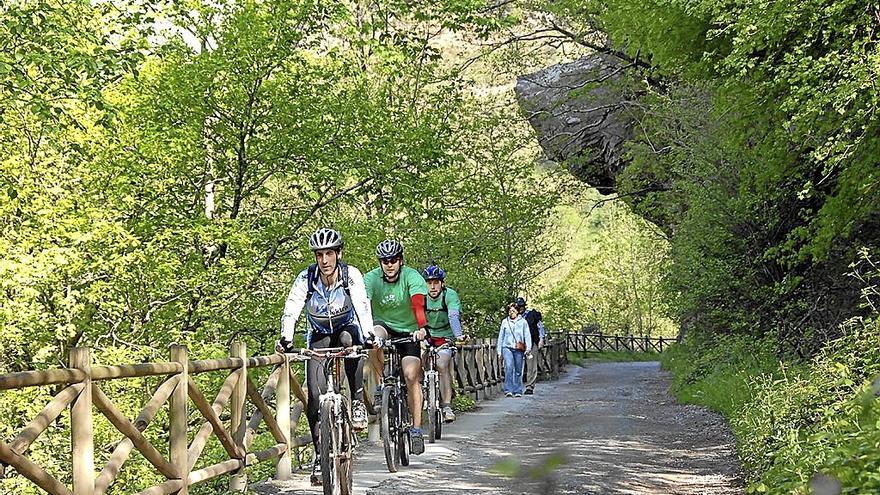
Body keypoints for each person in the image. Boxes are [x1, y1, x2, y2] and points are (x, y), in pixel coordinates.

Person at [276, 228, 374, 485]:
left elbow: (362, 305)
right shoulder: (306, 278)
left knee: (351, 343)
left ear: (338, 254)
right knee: (314, 399)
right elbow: (292, 307)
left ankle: (356, 400)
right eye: (320, 255)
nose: (324, 260)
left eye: (329, 253)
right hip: (318, 334)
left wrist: (369, 335)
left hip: (346, 329)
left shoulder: (350, 275)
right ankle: (320, 457)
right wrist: (286, 337)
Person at [364, 239, 430, 455]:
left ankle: (417, 429)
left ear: (400, 261)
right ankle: (381, 383)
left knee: (411, 375)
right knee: (373, 338)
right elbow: (363, 303)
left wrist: (421, 328)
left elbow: (418, 303)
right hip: (383, 325)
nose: (389, 264)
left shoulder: (412, 277)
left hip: (409, 329)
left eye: (393, 260)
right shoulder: (372, 278)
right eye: (385, 261)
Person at [422, 264, 465, 423]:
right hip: (426, 337)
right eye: (429, 283)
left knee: (442, 364)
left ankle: (446, 406)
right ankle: (418, 397)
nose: (432, 286)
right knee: (416, 362)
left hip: (445, 338)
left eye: (436, 282)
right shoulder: (421, 296)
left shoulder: (449, 295)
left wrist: (458, 335)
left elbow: (453, 316)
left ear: (442, 283)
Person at [497, 302, 532, 397]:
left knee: (518, 369)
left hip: (518, 348)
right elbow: (501, 336)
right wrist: (499, 351)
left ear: (517, 311)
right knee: (508, 368)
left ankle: (518, 390)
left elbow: (527, 335)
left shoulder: (523, 322)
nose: (511, 312)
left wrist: (528, 348)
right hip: (507, 347)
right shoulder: (505, 322)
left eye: (513, 311)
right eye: (510, 311)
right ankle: (508, 390)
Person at [515, 297, 545, 395]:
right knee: (517, 365)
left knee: (531, 365)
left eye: (521, 306)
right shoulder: (513, 317)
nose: (520, 308)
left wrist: (541, 339)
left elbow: (540, 327)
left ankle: (529, 386)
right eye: (518, 306)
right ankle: (516, 386)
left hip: (532, 342)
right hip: (518, 344)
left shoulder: (532, 315)